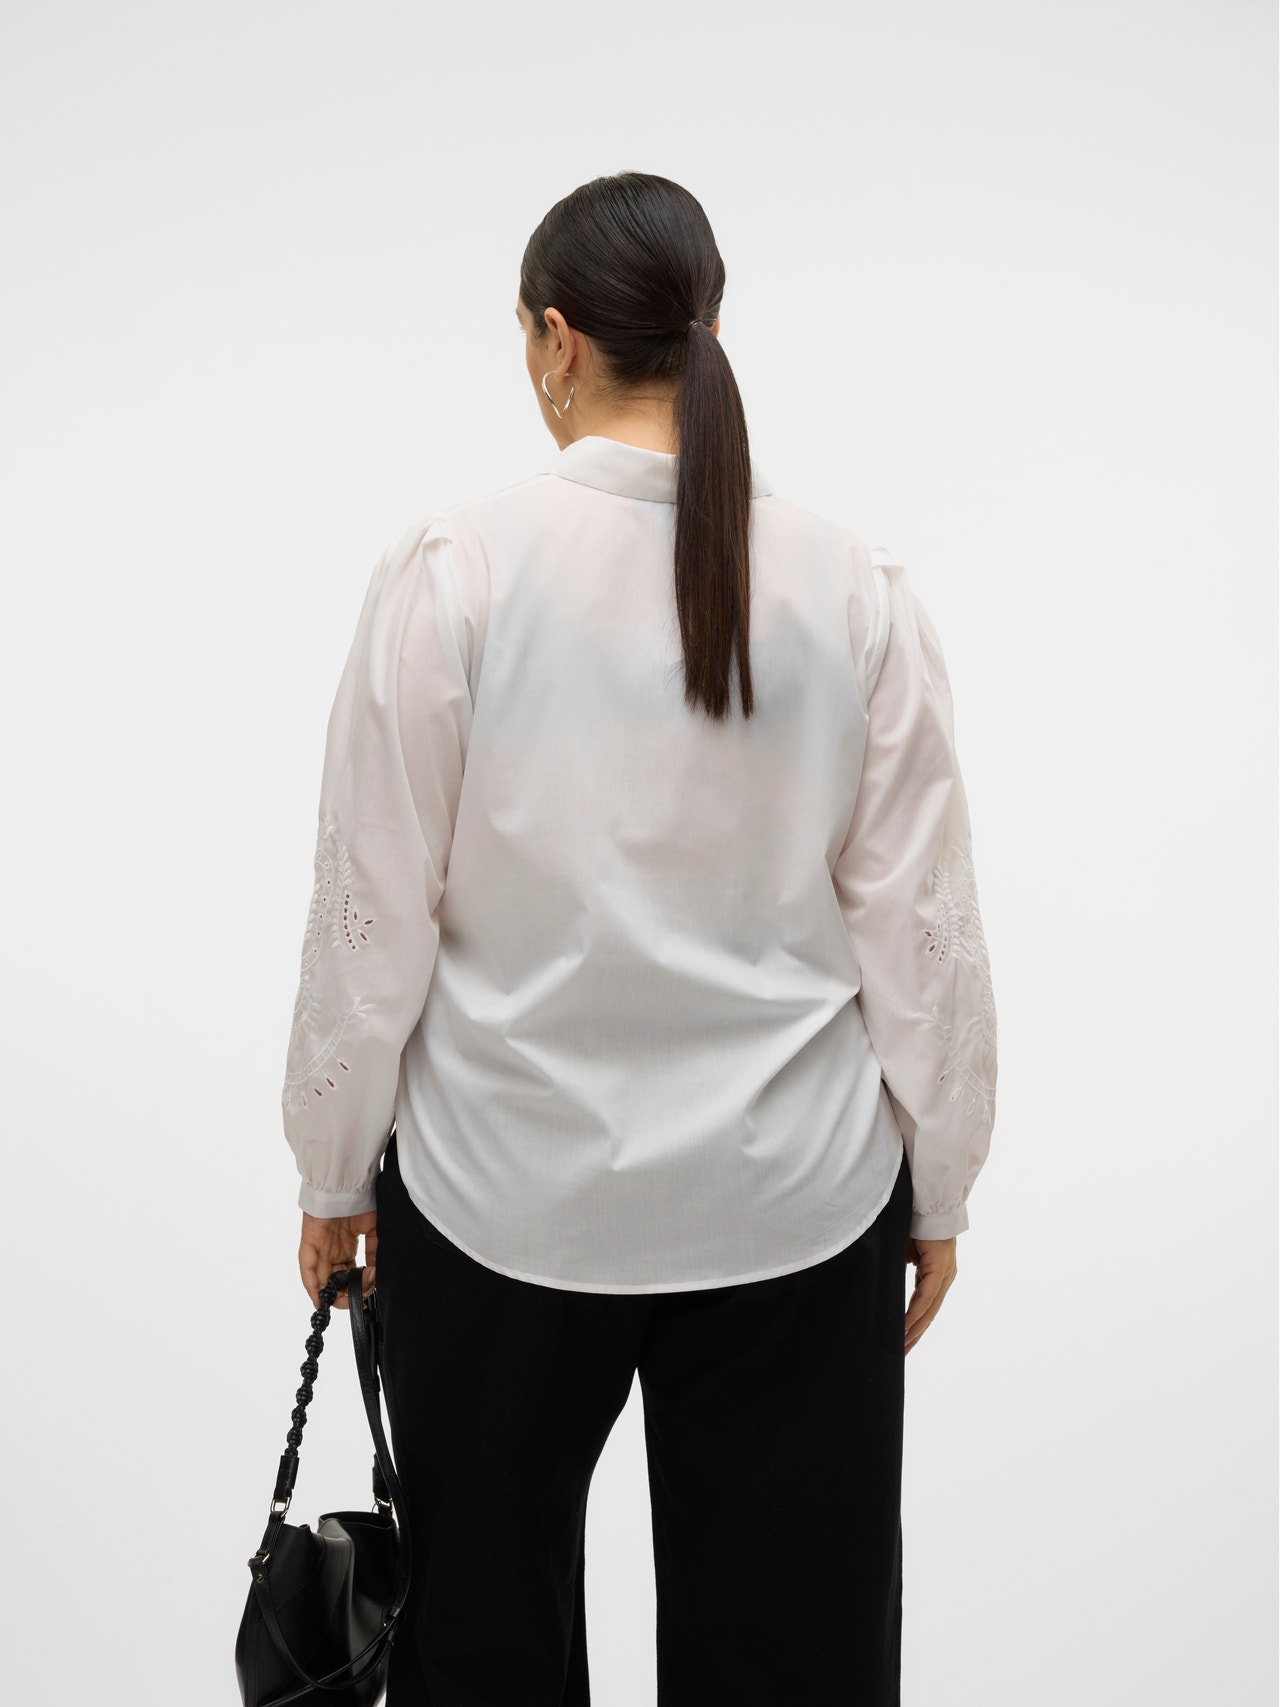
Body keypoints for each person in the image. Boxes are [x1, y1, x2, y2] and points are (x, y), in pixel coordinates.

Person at [280, 170, 998, 1704]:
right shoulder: (853, 586)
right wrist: (940, 1183)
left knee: (482, 1657)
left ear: (555, 342)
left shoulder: (456, 573)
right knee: (793, 1668)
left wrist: (334, 1170)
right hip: (794, 1204)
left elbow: (370, 909)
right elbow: (923, 927)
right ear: (710, 331)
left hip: (498, 1196)